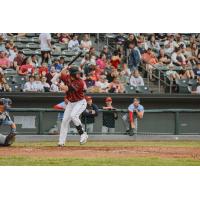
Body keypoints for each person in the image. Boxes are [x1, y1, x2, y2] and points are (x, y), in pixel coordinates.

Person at [58, 66, 88, 146]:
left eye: (78, 73)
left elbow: (66, 88)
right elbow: (62, 73)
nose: (78, 75)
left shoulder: (80, 82)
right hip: (71, 103)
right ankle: (61, 142)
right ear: (72, 74)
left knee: (73, 115)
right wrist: (65, 68)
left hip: (80, 102)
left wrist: (58, 83)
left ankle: (83, 134)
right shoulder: (68, 77)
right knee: (64, 121)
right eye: (76, 73)